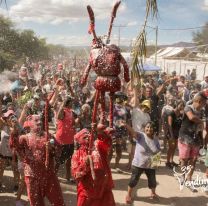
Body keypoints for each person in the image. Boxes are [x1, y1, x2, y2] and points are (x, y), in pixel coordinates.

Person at [10, 114, 65, 206]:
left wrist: (52, 149)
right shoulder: (25, 138)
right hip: (32, 176)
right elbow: (15, 146)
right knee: (36, 203)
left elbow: (59, 149)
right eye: (36, 121)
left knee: (58, 202)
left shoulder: (49, 136)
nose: (39, 122)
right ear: (30, 123)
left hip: (49, 175)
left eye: (40, 120)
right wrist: (14, 131)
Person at [71, 125, 115, 206]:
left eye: (89, 135)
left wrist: (102, 132)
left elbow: (106, 143)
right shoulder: (77, 155)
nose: (88, 138)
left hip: (103, 188)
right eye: (84, 137)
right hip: (86, 192)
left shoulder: (98, 146)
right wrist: (85, 164)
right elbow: (76, 176)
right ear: (79, 141)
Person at [123, 121, 160, 204]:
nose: (149, 129)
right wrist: (126, 125)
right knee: (133, 180)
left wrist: (156, 164)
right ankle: (128, 195)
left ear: (154, 129)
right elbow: (133, 131)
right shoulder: (140, 136)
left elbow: (157, 152)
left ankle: (153, 193)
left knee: (152, 181)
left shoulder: (156, 140)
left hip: (150, 165)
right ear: (144, 128)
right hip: (138, 164)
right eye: (147, 127)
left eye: (151, 127)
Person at [178, 92, 207, 192]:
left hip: (196, 139)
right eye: (204, 103)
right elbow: (191, 117)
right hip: (184, 138)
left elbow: (201, 128)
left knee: (194, 160)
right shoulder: (188, 107)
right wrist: (202, 122)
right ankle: (182, 176)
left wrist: (202, 141)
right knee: (184, 160)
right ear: (199, 101)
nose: (205, 105)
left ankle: (189, 179)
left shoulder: (202, 111)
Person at [55, 96, 77, 182]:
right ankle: (54, 177)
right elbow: (58, 116)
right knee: (58, 160)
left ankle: (68, 177)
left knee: (69, 160)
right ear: (67, 103)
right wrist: (63, 103)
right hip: (61, 140)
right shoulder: (63, 111)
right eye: (71, 102)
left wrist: (75, 124)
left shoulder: (71, 112)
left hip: (70, 139)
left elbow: (74, 123)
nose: (72, 104)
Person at [165, 100, 185, 169]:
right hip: (171, 133)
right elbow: (169, 125)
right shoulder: (171, 113)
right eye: (181, 105)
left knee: (174, 148)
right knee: (171, 148)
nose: (182, 107)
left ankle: (171, 161)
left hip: (177, 133)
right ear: (177, 104)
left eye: (183, 105)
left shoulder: (181, 114)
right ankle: (167, 162)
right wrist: (172, 135)